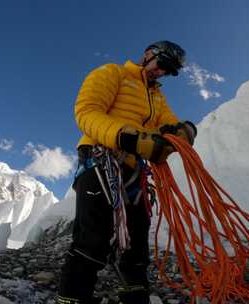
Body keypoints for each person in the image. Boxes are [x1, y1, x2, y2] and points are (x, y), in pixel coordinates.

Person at [57, 41, 197, 304]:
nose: (162, 73)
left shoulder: (157, 97)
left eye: (168, 71)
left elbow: (168, 126)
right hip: (100, 160)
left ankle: (135, 297)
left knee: (137, 244)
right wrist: (125, 137)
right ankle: (72, 298)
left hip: (134, 171)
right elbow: (86, 112)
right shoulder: (113, 73)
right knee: (93, 240)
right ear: (148, 55)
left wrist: (183, 132)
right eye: (162, 65)